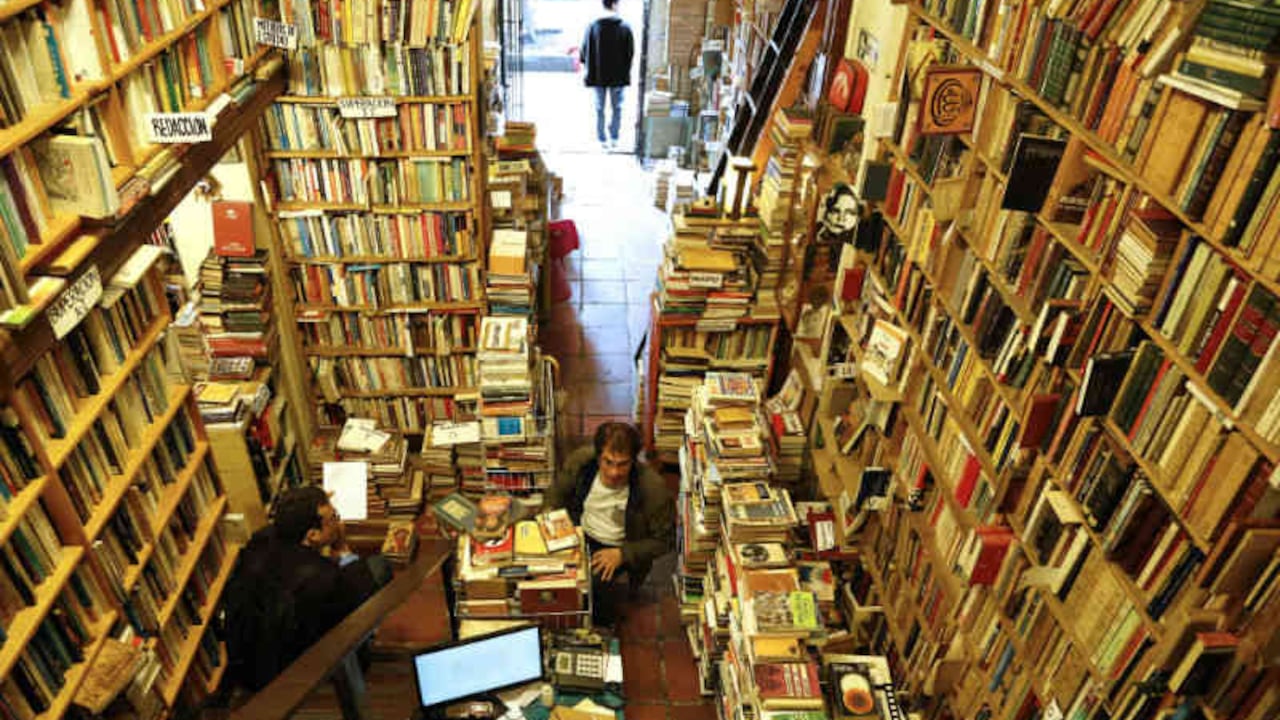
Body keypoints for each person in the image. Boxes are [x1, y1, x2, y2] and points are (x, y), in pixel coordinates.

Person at [222, 486, 389, 692]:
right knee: (378, 566)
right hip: (297, 676)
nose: (338, 522)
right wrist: (342, 548)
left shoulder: (259, 541)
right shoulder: (324, 578)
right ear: (312, 535)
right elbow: (364, 601)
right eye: (334, 517)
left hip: (251, 669)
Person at [545, 422, 673, 625]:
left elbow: (665, 541)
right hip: (578, 531)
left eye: (623, 464)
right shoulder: (581, 462)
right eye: (608, 462)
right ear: (598, 457)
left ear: (634, 461)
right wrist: (553, 520)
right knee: (545, 575)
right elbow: (556, 493)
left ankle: (600, 630)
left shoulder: (653, 488)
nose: (614, 472)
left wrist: (623, 554)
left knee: (596, 591)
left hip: (616, 546)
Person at [579, 0, 634, 151]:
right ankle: (614, 138)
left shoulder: (592, 27)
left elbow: (583, 52)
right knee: (617, 108)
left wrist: (588, 66)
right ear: (615, 5)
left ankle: (602, 138)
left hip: (598, 76)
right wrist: (625, 70)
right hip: (618, 76)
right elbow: (630, 53)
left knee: (599, 108)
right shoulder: (624, 27)